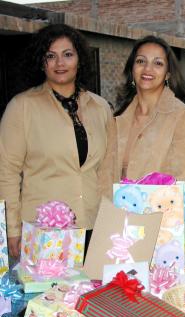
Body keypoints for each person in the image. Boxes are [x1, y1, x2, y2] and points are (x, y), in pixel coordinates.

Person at [0, 24, 114, 258]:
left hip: (95, 224)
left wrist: (111, 222)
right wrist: (12, 229)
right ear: (41, 62)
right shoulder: (21, 107)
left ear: (80, 59)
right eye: (50, 56)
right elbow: (7, 172)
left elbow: (106, 171)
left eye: (67, 54)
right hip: (44, 232)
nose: (60, 63)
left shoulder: (100, 107)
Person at [114, 35, 185, 195]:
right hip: (116, 215)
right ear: (132, 69)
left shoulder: (182, 116)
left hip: (158, 215)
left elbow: (183, 180)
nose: (148, 69)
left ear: (168, 74)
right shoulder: (117, 118)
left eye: (158, 63)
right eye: (141, 61)